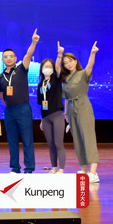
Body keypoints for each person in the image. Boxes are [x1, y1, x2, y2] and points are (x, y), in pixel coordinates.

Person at [0, 29, 39, 174]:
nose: (8, 59)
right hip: (9, 111)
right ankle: (15, 168)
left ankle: (29, 168)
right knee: (12, 140)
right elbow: (2, 94)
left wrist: (33, 42)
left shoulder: (22, 68)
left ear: (15, 58)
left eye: (11, 56)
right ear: (3, 60)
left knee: (27, 139)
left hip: (23, 109)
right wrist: (9, 105)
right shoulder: (1, 76)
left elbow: (28, 55)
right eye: (6, 57)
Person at [61, 41, 100, 182]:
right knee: (77, 139)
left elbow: (90, 66)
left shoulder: (83, 74)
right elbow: (66, 97)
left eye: (70, 61)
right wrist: (66, 113)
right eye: (65, 63)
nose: (68, 64)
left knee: (88, 138)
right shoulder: (66, 79)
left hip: (83, 106)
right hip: (71, 109)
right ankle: (84, 170)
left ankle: (93, 173)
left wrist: (92, 53)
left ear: (75, 61)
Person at [37, 43, 66, 174]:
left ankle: (61, 169)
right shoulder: (40, 85)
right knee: (51, 144)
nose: (47, 69)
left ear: (53, 69)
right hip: (46, 117)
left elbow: (58, 67)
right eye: (45, 66)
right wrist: (41, 120)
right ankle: (54, 168)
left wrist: (59, 55)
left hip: (57, 115)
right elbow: (41, 103)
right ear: (41, 69)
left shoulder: (56, 79)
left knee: (58, 143)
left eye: (50, 67)